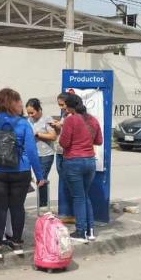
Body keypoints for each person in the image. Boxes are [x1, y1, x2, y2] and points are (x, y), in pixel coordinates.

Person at [0, 88, 44, 259]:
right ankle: (17, 244)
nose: (21, 104)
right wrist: (39, 175)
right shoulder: (23, 124)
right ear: (13, 103)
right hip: (21, 171)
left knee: (0, 208)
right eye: (19, 101)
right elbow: (31, 151)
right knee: (17, 207)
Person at [59, 93, 103, 243]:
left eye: (65, 106)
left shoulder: (71, 120)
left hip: (74, 162)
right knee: (85, 196)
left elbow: (64, 143)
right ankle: (90, 231)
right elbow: (99, 141)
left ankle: (80, 232)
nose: (64, 109)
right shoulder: (92, 120)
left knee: (78, 198)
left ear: (70, 107)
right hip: (90, 161)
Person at [26, 98, 57, 209]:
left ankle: (43, 206)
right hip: (32, 154)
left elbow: (53, 136)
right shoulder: (29, 120)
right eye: (28, 113)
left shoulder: (47, 119)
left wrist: (38, 134)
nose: (30, 115)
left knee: (41, 179)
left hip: (45, 155)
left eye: (32, 112)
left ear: (39, 109)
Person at [49, 92, 74, 222]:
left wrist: (60, 126)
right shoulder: (64, 114)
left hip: (67, 153)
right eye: (59, 105)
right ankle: (66, 212)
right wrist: (57, 125)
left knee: (69, 182)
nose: (61, 107)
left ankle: (71, 213)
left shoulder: (73, 116)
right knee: (63, 181)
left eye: (62, 104)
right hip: (59, 150)